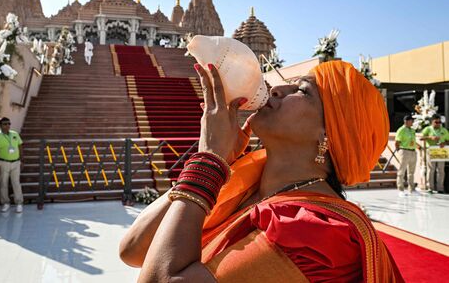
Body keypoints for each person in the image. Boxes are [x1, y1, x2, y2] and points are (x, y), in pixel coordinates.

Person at [119, 61, 402, 282]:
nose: (277, 89)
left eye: (302, 91)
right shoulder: (251, 182)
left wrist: (208, 161)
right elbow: (133, 249)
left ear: (329, 136)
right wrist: (215, 164)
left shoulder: (314, 231)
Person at [0, 117, 24, 213]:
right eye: (5, 124)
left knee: (16, 183)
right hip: (3, 162)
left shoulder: (15, 134)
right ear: (0, 126)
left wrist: (22, 161)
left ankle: (19, 203)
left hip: (16, 162)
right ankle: (5, 203)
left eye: (9, 123)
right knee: (3, 183)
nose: (7, 126)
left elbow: (20, 147)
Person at [421, 114, 449, 193]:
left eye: (439, 122)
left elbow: (448, 140)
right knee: (431, 169)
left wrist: (444, 143)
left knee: (441, 170)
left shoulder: (444, 130)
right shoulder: (428, 129)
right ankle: (430, 187)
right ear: (432, 122)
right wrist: (430, 137)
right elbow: (421, 138)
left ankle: (440, 188)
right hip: (431, 150)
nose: (438, 124)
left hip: (441, 151)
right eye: (436, 122)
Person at [395, 114, 418, 196]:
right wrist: (399, 151)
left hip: (412, 151)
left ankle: (412, 188)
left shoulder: (412, 130)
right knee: (402, 171)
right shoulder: (401, 130)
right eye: (411, 120)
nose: (413, 122)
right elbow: (397, 142)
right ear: (406, 121)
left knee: (411, 171)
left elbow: (413, 141)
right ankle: (400, 189)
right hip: (404, 151)